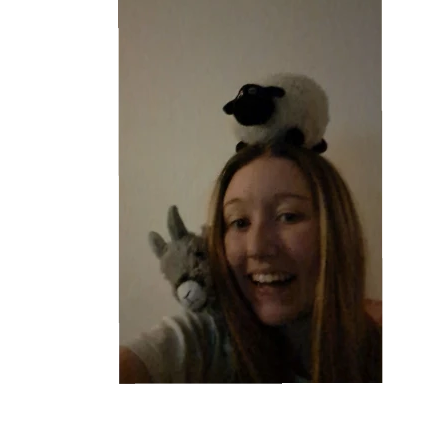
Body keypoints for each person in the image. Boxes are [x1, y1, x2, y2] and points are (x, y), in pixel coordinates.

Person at [118, 140, 384, 384]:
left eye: (288, 216)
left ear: (336, 230)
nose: (257, 248)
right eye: (240, 222)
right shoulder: (206, 339)